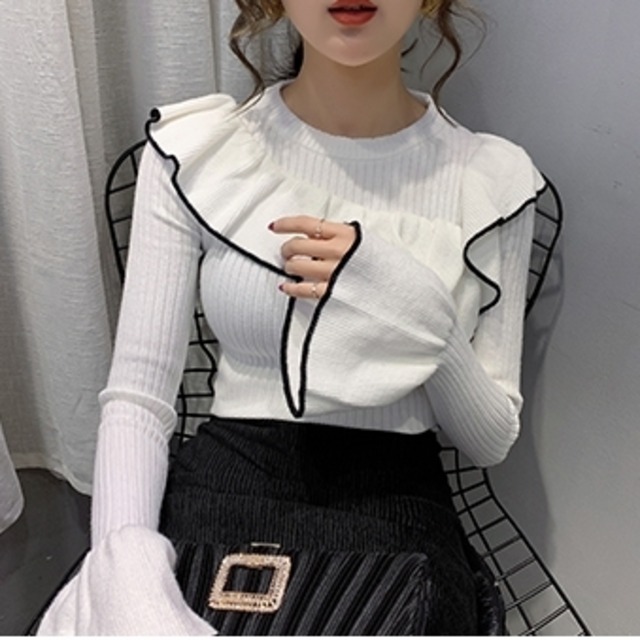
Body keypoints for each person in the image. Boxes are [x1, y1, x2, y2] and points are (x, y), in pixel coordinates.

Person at [39, 0, 546, 635]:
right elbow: (138, 396)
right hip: (219, 489)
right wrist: (126, 568)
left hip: (394, 509)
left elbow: (490, 439)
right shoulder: (198, 152)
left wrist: (429, 326)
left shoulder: (493, 180)